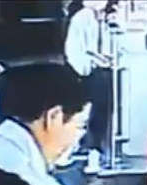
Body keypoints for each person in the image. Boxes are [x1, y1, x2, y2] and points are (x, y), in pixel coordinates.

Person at [64, 0, 113, 174]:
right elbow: (75, 53)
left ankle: (93, 148)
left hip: (101, 71)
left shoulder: (107, 17)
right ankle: (88, 149)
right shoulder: (81, 18)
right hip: (86, 73)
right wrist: (92, 64)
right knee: (92, 108)